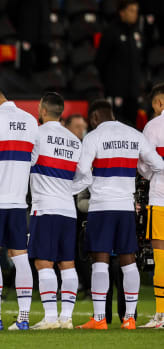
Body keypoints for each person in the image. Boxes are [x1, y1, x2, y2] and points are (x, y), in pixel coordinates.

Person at [73, 99, 164, 330]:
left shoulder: (93, 137)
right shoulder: (134, 134)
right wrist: (144, 174)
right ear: (112, 114)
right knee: (128, 260)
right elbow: (157, 164)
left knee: (100, 262)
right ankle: (130, 318)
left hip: (101, 206)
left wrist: (74, 188)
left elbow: (83, 170)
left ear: (94, 118)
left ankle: (99, 318)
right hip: (125, 206)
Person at [0, 86, 39, 331]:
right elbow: (33, 158)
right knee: (20, 257)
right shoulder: (31, 120)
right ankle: (23, 319)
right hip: (18, 200)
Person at [28, 92, 82, 330]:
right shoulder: (74, 140)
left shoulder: (37, 135)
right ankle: (66, 318)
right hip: (68, 209)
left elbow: (25, 165)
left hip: (45, 207)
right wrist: (67, 189)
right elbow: (85, 177)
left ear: (42, 109)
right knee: (67, 262)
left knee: (43, 262)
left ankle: (50, 318)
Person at [138, 82, 164, 328]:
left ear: (159, 103)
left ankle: (161, 314)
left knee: (161, 257)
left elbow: (144, 166)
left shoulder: (154, 126)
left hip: (161, 199)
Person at [95, 0, 143, 128]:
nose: (135, 14)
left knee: (132, 127)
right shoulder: (111, 31)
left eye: (136, 11)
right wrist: (109, 84)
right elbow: (100, 61)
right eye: (131, 11)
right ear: (122, 12)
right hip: (116, 90)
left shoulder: (137, 32)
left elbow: (140, 61)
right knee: (116, 125)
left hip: (133, 92)